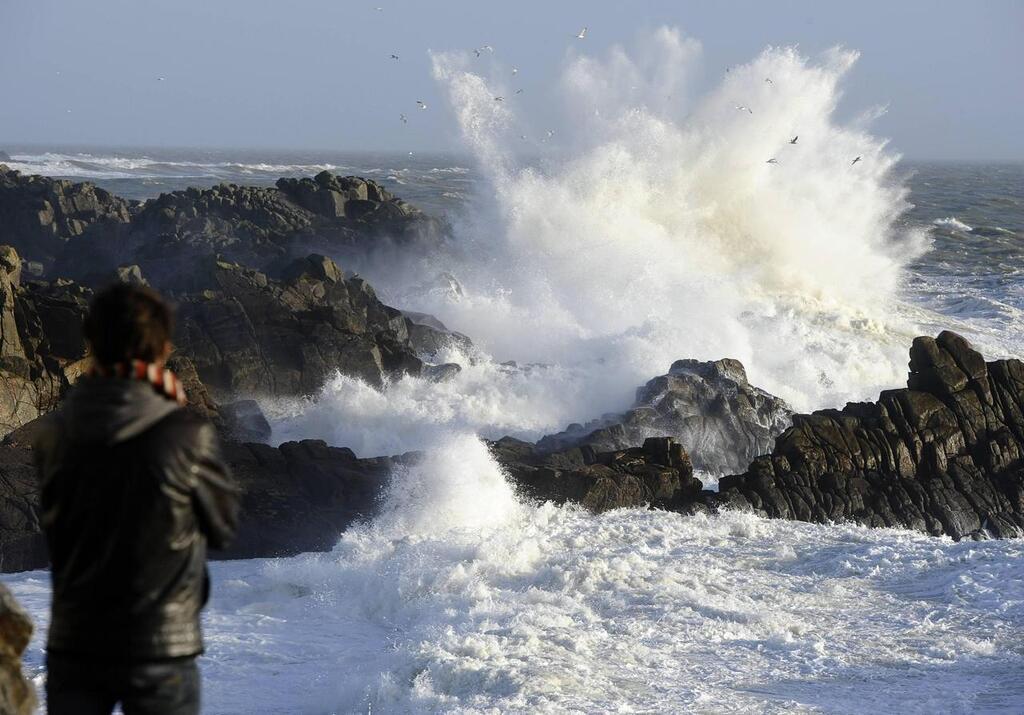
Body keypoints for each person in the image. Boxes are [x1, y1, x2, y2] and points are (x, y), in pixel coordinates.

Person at [33, 283, 240, 715]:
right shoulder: (185, 434)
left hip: (75, 642)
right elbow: (222, 527)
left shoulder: (53, 432)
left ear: (93, 344)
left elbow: (59, 522)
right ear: (162, 350)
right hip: (162, 643)